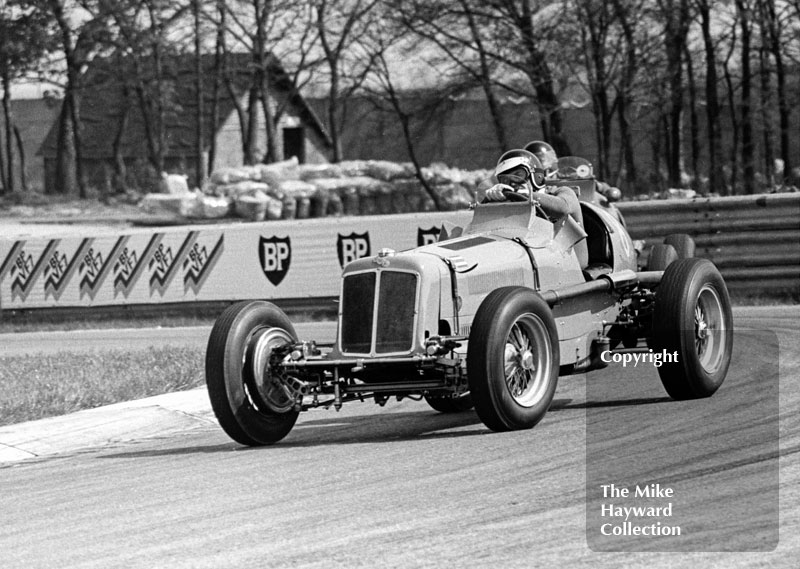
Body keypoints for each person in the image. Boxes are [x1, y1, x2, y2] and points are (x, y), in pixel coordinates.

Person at [483, 148, 589, 268]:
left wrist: (524, 194)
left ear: (535, 176)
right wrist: (492, 199)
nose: (512, 183)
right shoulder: (513, 201)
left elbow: (563, 207)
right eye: (505, 179)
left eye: (519, 175)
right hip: (533, 262)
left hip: (572, 268)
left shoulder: (562, 192)